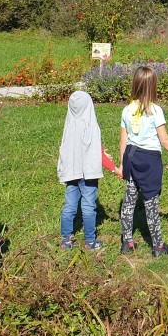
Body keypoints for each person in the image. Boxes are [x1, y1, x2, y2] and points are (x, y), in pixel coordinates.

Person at [119, 66, 168, 257]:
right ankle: (158, 246)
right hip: (150, 160)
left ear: (135, 85)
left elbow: (123, 140)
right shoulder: (156, 110)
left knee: (129, 202)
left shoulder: (127, 109)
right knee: (151, 202)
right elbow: (163, 139)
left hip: (130, 156)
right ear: (153, 86)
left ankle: (127, 243)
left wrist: (122, 165)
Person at [58, 90, 120, 250]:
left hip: (72, 173)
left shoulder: (69, 125)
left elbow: (70, 149)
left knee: (70, 206)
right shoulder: (90, 125)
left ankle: (65, 240)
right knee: (88, 207)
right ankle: (90, 242)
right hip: (88, 175)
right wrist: (115, 170)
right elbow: (97, 153)